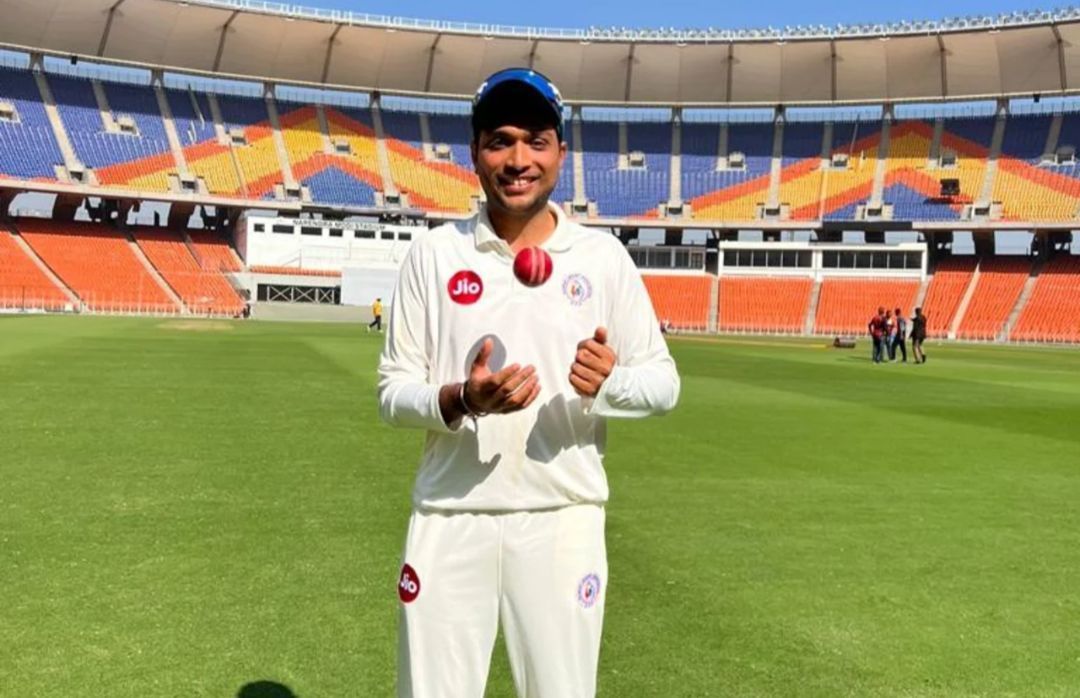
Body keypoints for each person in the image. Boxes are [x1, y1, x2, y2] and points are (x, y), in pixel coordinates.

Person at [377, 67, 680, 698]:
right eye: (501, 140)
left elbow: (663, 384)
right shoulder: (435, 255)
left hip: (562, 521)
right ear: (475, 153)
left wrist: (609, 384)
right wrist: (461, 398)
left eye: (536, 141)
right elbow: (392, 392)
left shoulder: (602, 259)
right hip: (448, 518)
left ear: (561, 154)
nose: (519, 159)